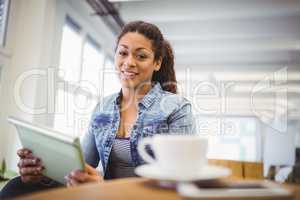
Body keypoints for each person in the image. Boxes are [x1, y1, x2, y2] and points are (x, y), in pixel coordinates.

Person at [0, 21, 196, 199]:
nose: (129, 62)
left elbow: (181, 183)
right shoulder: (103, 107)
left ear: (157, 62)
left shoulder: (177, 108)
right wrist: (43, 172)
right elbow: (83, 164)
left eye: (141, 56)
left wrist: (105, 188)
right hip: (104, 195)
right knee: (16, 187)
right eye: (123, 52)